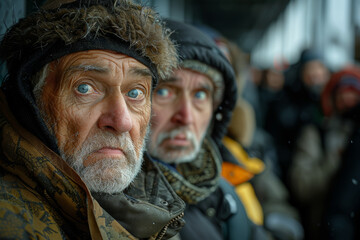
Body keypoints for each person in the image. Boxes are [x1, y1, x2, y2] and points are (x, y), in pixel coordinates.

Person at [0, 0, 186, 239]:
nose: (121, 122)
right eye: (85, 88)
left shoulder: (158, 218)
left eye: (135, 93)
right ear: (30, 102)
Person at [147, 19, 262, 240]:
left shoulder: (221, 195)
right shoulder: (103, 205)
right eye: (165, 92)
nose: (186, 117)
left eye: (200, 95)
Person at [288, 67, 360, 240]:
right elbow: (302, 186)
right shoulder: (316, 133)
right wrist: (337, 160)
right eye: (342, 92)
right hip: (326, 228)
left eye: (354, 92)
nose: (347, 99)